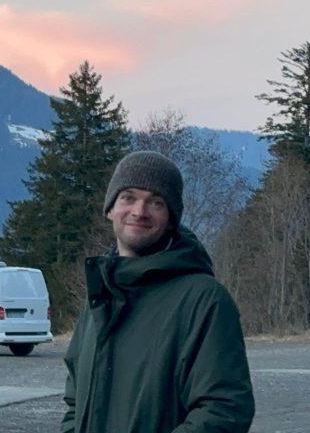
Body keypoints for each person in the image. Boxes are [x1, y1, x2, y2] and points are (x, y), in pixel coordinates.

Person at [62, 150, 255, 432]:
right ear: (110, 209)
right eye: (128, 197)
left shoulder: (203, 300)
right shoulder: (101, 297)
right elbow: (75, 402)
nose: (139, 211)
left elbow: (224, 410)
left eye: (156, 202)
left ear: (171, 218)